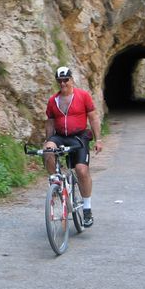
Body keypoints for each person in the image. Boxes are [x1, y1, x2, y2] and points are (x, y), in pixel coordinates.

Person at [43, 66, 103, 227]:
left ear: (71, 79)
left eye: (65, 80)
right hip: (60, 136)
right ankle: (55, 181)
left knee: (81, 170)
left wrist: (98, 139)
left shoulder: (83, 96)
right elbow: (50, 122)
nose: (63, 83)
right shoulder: (53, 100)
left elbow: (93, 118)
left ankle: (87, 209)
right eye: (59, 81)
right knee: (48, 149)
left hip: (79, 136)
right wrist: (48, 140)